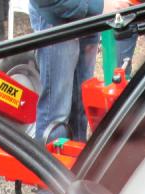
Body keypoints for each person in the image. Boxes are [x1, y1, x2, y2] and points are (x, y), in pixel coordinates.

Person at [29, 0, 130, 143]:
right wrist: (99, 6)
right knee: (56, 115)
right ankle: (49, 155)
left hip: (88, 19)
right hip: (57, 18)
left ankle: (78, 153)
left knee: (80, 106)